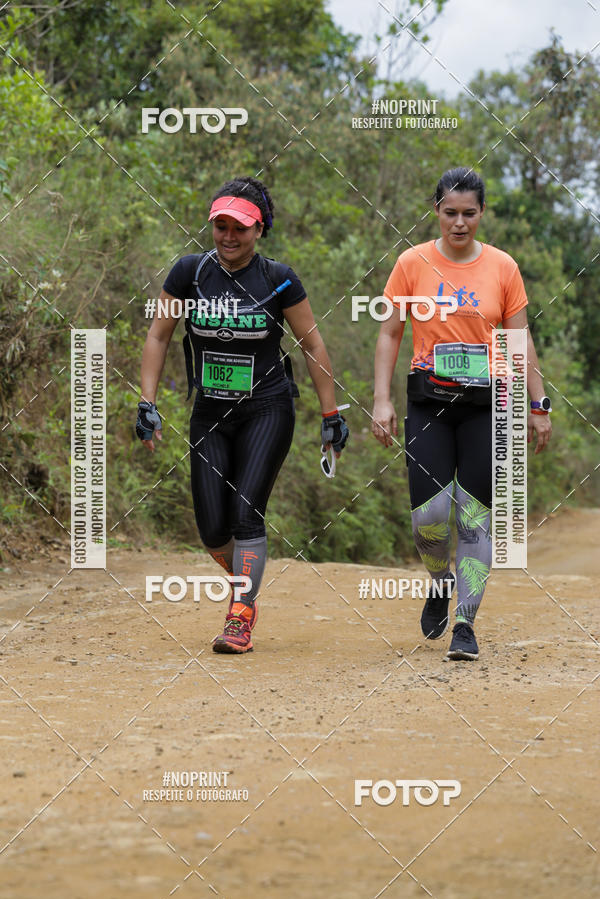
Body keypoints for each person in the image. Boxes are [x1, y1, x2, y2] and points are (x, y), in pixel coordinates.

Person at [136, 176, 348, 653]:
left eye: (241, 228)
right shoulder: (189, 273)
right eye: (221, 227)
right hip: (209, 410)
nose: (229, 237)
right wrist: (147, 403)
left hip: (267, 408)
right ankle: (246, 587)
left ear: (260, 230)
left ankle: (240, 614)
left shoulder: (279, 279)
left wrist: (330, 413)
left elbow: (311, 345)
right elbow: (158, 336)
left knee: (246, 511)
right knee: (213, 530)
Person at [372, 167, 551, 661]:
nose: (459, 222)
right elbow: (389, 333)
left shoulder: (503, 267)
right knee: (428, 519)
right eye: (450, 213)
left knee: (475, 521)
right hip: (428, 402)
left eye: (468, 213)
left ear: (481, 213)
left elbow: (519, 341)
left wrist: (538, 404)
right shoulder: (412, 263)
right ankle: (439, 580)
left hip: (486, 407)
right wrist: (382, 399)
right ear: (436, 212)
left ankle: (466, 624)